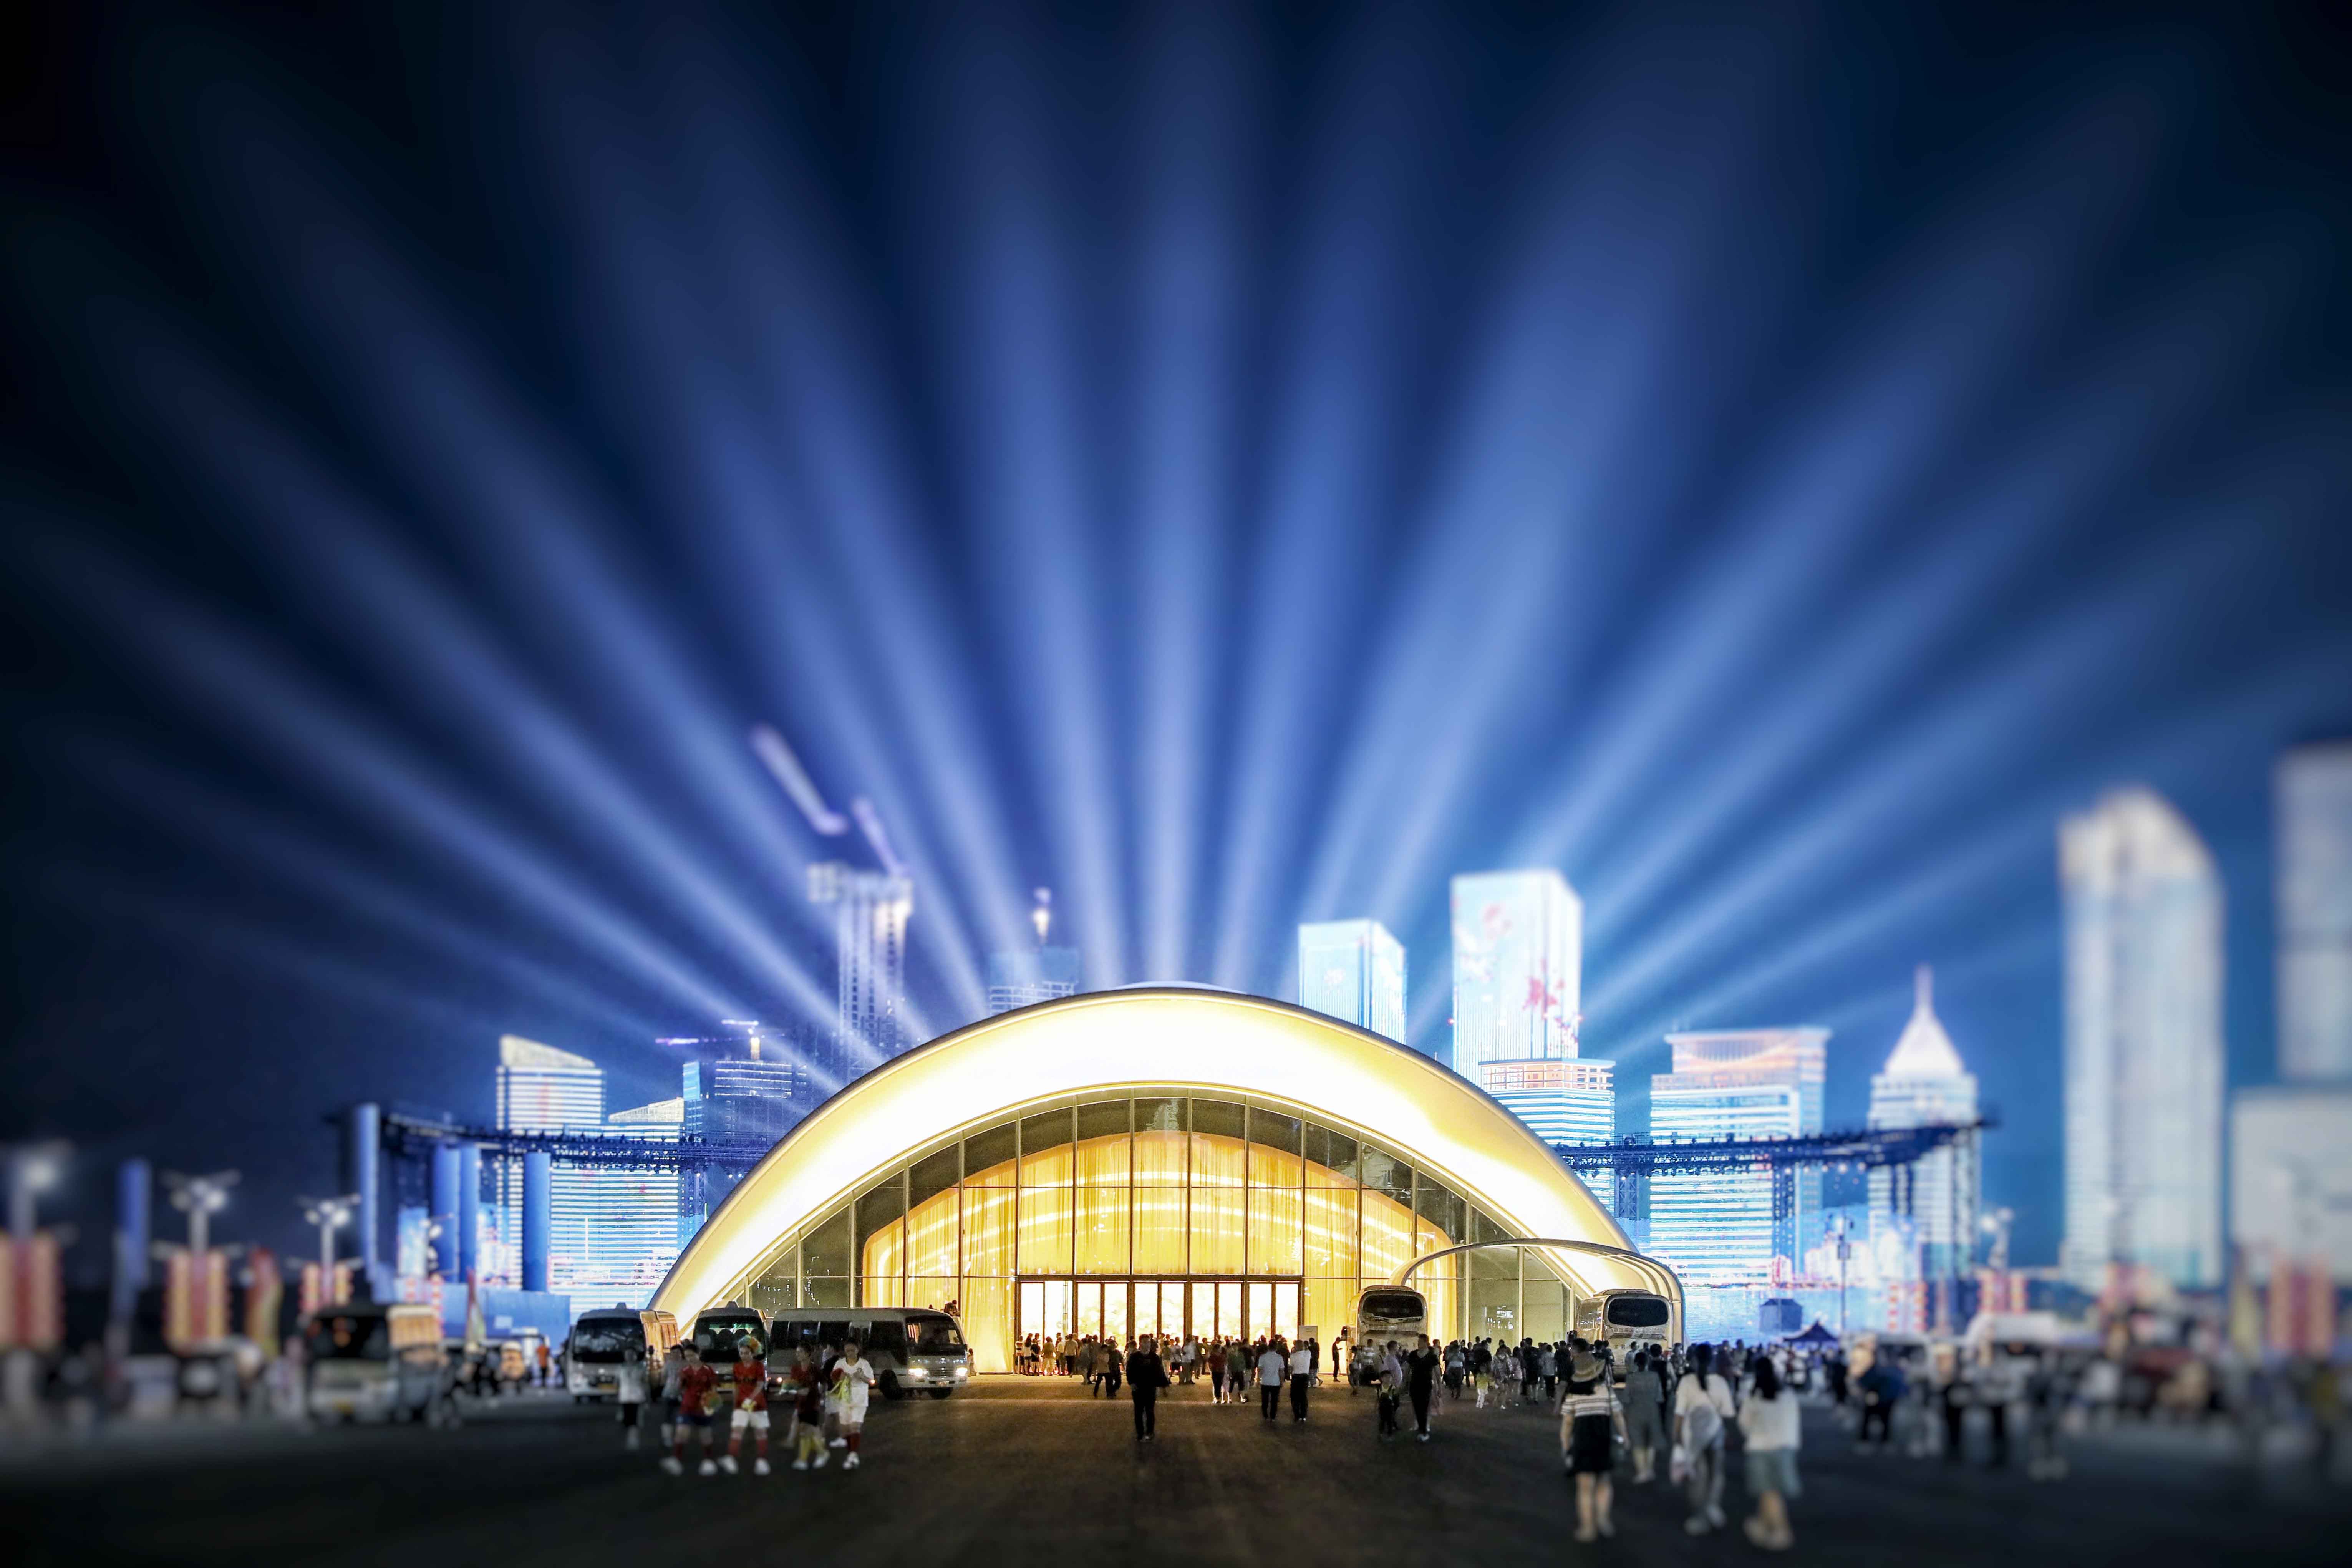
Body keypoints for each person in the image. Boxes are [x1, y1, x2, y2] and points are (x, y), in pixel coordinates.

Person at [1560, 1348, 1626, 1542]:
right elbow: (1618, 1416)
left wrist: (1566, 1447)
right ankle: (1604, 1521)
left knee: (1585, 1488)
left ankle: (1587, 1527)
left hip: (1582, 1443)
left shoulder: (1573, 1395)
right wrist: (1625, 1437)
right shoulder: (1605, 1391)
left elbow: (1567, 1426)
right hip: (1603, 1441)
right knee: (1604, 1483)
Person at [1739, 1354, 1800, 1551]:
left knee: (1769, 1493)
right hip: (1784, 1447)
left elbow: (1744, 1424)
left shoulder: (1753, 1396)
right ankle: (1762, 1526)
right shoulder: (1788, 1395)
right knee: (1772, 1492)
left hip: (1760, 1448)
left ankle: (1782, 1532)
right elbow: (1793, 1421)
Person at [1674, 1343, 1736, 1535]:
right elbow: (1728, 1414)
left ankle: (1699, 1516)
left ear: (1694, 1359)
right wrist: (1729, 1434)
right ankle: (1712, 1507)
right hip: (1716, 1435)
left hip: (1693, 1436)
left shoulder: (1687, 1382)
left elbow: (1679, 1414)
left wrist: (1677, 1437)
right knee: (1716, 1475)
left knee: (1697, 1478)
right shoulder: (1720, 1382)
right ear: (1713, 1360)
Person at [668, 1342, 720, 1476]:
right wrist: (679, 1385)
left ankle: (708, 1461)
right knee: (681, 1432)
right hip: (688, 1406)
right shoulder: (685, 1372)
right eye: (687, 1356)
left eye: (692, 1355)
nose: (690, 1359)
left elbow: (714, 1390)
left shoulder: (708, 1371)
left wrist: (712, 1404)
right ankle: (676, 1460)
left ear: (699, 1354)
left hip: (703, 1408)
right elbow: (679, 1389)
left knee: (705, 1435)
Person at [722, 1337, 772, 1476]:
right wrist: (735, 1404)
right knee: (737, 1431)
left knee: (760, 1432)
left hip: (757, 1403)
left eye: (747, 1353)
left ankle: (762, 1461)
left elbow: (760, 1385)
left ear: (753, 1353)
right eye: (742, 1353)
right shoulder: (737, 1367)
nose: (744, 1356)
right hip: (741, 1404)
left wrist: (751, 1399)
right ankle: (731, 1458)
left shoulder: (759, 1367)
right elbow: (736, 1387)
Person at [829, 1337, 877, 1470]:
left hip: (860, 1399)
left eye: (853, 1350)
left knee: (855, 1427)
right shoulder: (840, 1363)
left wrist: (862, 1377)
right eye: (848, 1350)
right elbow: (834, 1379)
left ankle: (852, 1455)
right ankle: (850, 1450)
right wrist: (840, 1378)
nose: (850, 1352)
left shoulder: (864, 1364)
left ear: (858, 1349)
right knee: (846, 1428)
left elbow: (872, 1382)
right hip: (845, 1399)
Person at [1620, 1348, 1667, 1484]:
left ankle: (1642, 1472)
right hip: (1652, 1411)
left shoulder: (1631, 1378)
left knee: (1638, 1443)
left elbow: (1626, 1398)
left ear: (1636, 1363)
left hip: (1635, 1412)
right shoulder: (1655, 1377)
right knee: (1651, 1443)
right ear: (1648, 1362)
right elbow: (1660, 1397)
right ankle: (1650, 1470)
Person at [784, 1345, 828, 1471]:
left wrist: (822, 1395)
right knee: (806, 1432)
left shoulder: (815, 1369)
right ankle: (806, 1458)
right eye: (797, 1352)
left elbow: (824, 1383)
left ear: (808, 1354)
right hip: (800, 1404)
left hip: (813, 1404)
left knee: (809, 1431)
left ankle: (817, 1455)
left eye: (801, 1352)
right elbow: (793, 1385)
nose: (797, 1354)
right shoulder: (796, 1369)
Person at [1856, 1348, 1904, 1452]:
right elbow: (1863, 1381)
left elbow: (1898, 1384)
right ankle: (1865, 1441)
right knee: (1868, 1420)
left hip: (1886, 1399)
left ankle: (1885, 1441)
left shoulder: (1891, 1369)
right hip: (1873, 1398)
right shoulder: (1875, 1369)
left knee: (1886, 1421)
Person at [1128, 1334, 1171, 1441]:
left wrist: (1164, 1387)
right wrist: (1132, 1383)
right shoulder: (1134, 1357)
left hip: (1151, 1388)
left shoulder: (1155, 1357)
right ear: (1140, 1343)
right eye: (1145, 1342)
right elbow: (1130, 1371)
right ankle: (1140, 1433)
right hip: (1138, 1388)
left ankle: (1150, 1432)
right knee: (1138, 1412)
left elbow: (1160, 1372)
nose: (1147, 1345)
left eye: (1149, 1342)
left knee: (1150, 1411)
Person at [1405, 1339, 1440, 1441]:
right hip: (1415, 1385)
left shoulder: (1432, 1356)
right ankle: (1422, 1428)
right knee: (1417, 1408)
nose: (1419, 1344)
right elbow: (1407, 1370)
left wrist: (1439, 1386)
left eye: (1421, 1342)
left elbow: (1437, 1373)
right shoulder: (1413, 1355)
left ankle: (1424, 1430)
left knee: (1424, 1408)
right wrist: (1404, 1383)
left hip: (1426, 1385)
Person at [616, 1344, 647, 1452]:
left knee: (635, 1421)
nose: (629, 1356)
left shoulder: (641, 1368)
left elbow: (645, 1384)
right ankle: (626, 1441)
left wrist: (648, 1400)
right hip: (624, 1398)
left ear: (636, 1356)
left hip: (638, 1398)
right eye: (627, 1354)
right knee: (625, 1421)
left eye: (632, 1354)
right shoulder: (621, 1368)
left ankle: (633, 1441)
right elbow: (617, 1384)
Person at [1376, 1341, 1404, 1440]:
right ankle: (1390, 1424)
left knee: (1395, 1405)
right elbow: (1389, 1373)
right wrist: (1392, 1385)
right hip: (1393, 1387)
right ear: (1393, 1347)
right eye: (1397, 1346)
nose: (1398, 1347)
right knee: (1394, 1405)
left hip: (1395, 1386)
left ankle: (1392, 1422)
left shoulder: (1393, 1358)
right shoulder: (1390, 1359)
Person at [1258, 1338, 1288, 1422]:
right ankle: (1273, 1417)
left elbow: (1260, 1370)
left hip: (1265, 1381)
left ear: (1268, 1347)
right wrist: (1282, 1381)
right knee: (1274, 1401)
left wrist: (1258, 1380)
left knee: (1265, 1400)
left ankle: (1265, 1415)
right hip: (1275, 1382)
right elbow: (1281, 1371)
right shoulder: (1279, 1358)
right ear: (1276, 1348)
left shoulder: (1263, 1357)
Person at [1289, 1336, 1314, 1422]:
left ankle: (1297, 1415)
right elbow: (1307, 1349)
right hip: (1305, 1377)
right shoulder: (1308, 1354)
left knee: (1295, 1397)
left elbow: (1291, 1368)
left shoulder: (1293, 1356)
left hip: (1296, 1377)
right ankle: (1304, 1415)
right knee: (1303, 1396)